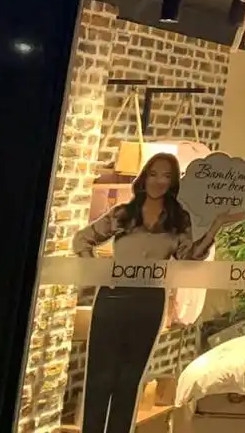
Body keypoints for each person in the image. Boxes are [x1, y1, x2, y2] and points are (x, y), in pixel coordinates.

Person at [73, 152, 229, 433]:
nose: (159, 181)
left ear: (172, 183)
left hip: (149, 300)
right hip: (113, 297)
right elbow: (82, 239)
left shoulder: (178, 220)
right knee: (100, 376)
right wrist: (98, 271)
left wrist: (215, 227)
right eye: (154, 174)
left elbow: (189, 258)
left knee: (129, 379)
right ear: (144, 178)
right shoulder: (124, 214)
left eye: (166, 176)